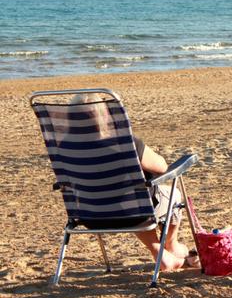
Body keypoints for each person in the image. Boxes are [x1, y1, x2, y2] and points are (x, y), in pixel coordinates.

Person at [69, 94, 198, 271]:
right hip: (132, 211)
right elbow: (162, 168)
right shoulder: (125, 143)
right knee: (170, 194)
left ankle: (161, 251)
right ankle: (170, 246)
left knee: (134, 197)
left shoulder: (65, 149)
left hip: (90, 214)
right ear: (106, 116)